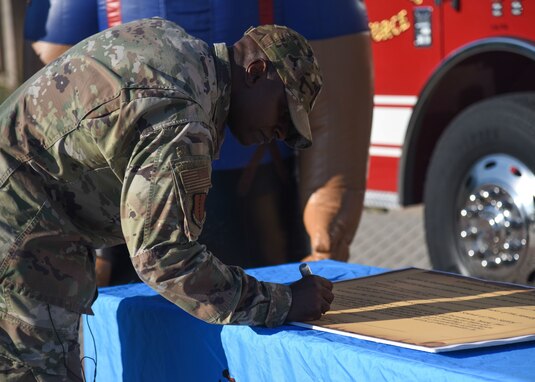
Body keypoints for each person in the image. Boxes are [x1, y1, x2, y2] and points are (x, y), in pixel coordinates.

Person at [0, 18, 334, 380]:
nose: (278, 133)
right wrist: (282, 302)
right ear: (255, 71)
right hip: (20, 237)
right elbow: (165, 257)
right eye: (283, 114)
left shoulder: (171, 41)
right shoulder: (182, 119)